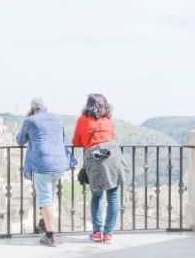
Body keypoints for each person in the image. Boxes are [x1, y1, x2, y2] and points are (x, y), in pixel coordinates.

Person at [16, 97, 75, 247]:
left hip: (42, 163)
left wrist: (28, 118)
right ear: (47, 108)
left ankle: (50, 236)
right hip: (59, 162)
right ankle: (44, 223)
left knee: (45, 198)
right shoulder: (58, 119)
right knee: (50, 195)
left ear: (33, 108)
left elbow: (20, 140)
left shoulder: (31, 120)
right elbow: (61, 138)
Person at [72, 93, 126, 244]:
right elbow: (112, 137)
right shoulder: (108, 120)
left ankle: (97, 232)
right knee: (113, 197)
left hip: (95, 160)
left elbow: (76, 142)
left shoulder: (82, 120)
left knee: (96, 196)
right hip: (112, 158)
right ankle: (108, 234)